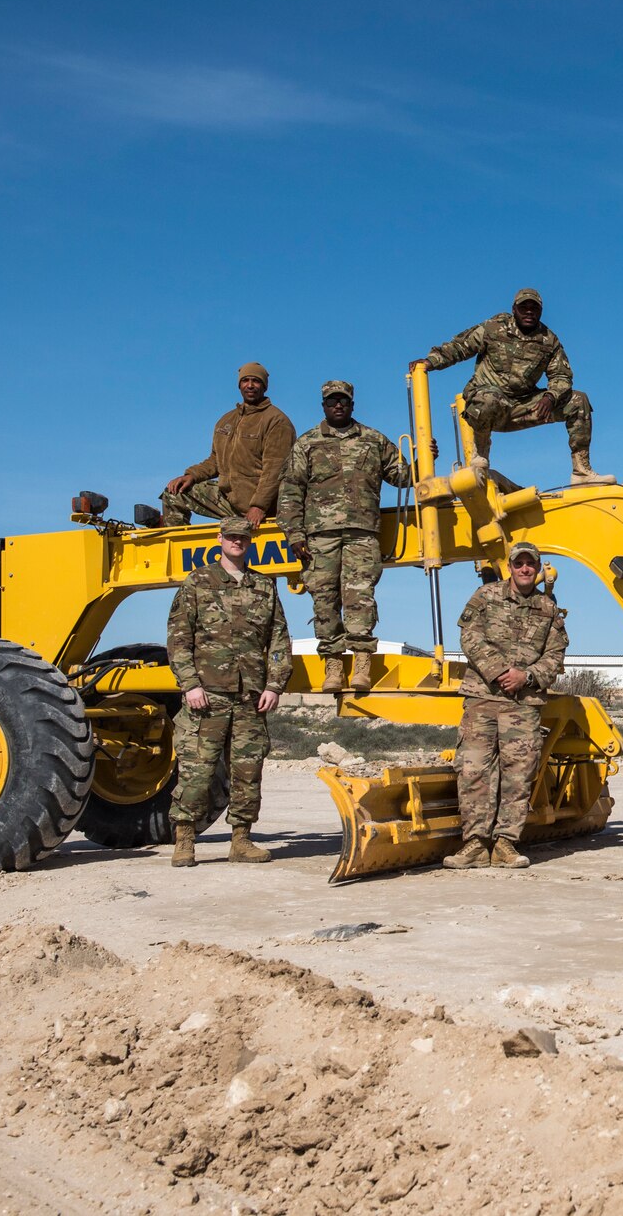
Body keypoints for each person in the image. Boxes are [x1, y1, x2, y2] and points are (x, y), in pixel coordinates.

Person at [165, 517, 291, 867]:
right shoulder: (198, 582)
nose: (238, 541)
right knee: (197, 770)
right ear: (220, 539)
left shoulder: (264, 587)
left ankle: (241, 840)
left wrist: (274, 684)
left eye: (244, 537)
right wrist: (189, 683)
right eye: (232, 536)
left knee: (247, 771)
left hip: (251, 697)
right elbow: (179, 639)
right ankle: (185, 840)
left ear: (250, 542)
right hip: (207, 695)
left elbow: (278, 640)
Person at [277, 380, 414, 695]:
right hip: (319, 536)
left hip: (361, 533)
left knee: (360, 598)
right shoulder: (307, 443)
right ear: (323, 406)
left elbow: (402, 476)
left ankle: (362, 663)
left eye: (343, 400)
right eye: (331, 401)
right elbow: (290, 491)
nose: (338, 405)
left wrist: (423, 455)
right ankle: (334, 665)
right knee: (324, 600)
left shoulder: (373, 440)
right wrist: (294, 534)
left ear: (352, 404)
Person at [411, 288, 612, 487]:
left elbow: (561, 375)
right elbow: (459, 347)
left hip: (524, 406)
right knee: (489, 398)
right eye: (523, 307)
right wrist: (430, 362)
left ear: (540, 312)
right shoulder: (493, 328)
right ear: (514, 309)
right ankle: (480, 454)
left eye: (534, 308)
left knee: (579, 401)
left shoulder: (549, 340)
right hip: (487, 405)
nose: (529, 312)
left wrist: (550, 396)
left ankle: (581, 471)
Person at [448, 542, 569, 868]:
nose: (525, 569)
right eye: (519, 563)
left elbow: (556, 656)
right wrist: (501, 672)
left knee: (518, 775)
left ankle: (505, 845)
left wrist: (526, 676)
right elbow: (469, 636)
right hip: (483, 699)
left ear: (539, 568)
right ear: (510, 566)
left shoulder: (548, 609)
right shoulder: (485, 596)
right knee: (473, 771)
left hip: (523, 704)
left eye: (531, 564)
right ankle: (474, 844)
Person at [160, 362, 297, 527]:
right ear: (239, 385)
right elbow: (215, 460)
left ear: (264, 386)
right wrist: (191, 475)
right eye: (245, 380)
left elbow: (275, 470)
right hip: (229, 499)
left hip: (262, 507)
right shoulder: (226, 421)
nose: (250, 385)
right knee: (175, 492)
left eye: (256, 381)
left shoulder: (276, 421)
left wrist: (259, 506)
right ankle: (176, 545)